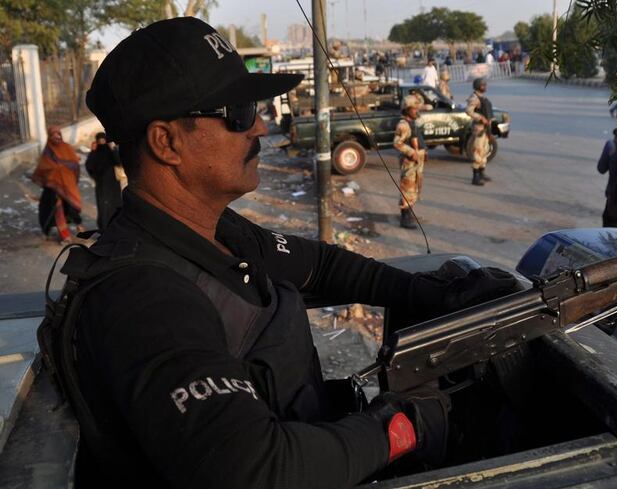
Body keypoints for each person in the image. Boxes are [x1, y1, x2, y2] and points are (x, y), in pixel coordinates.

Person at [70, 18, 517, 488]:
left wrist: (430, 292)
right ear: (167, 142)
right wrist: (402, 427)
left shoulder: (214, 230)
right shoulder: (143, 297)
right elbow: (255, 471)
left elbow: (321, 265)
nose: (260, 126)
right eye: (239, 112)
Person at [31, 126, 83, 243]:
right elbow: (43, 168)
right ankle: (65, 236)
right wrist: (57, 169)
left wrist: (62, 168)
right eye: (53, 135)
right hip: (54, 187)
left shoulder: (67, 148)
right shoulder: (48, 151)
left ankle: (80, 227)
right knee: (55, 209)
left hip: (68, 185)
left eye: (58, 134)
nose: (57, 137)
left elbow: (75, 164)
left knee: (72, 207)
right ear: (50, 137)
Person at [394, 95, 427, 229]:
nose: (416, 111)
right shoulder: (403, 125)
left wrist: (424, 152)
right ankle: (405, 217)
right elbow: (397, 143)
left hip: (417, 161)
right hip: (409, 162)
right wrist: (412, 152)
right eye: (413, 109)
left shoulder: (412, 122)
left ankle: (409, 212)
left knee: (414, 188)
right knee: (407, 188)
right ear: (407, 109)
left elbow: (418, 139)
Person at [84, 132, 123, 230]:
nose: (102, 143)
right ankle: (104, 229)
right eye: (99, 141)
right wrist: (92, 152)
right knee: (103, 208)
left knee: (115, 206)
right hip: (101, 185)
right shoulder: (95, 153)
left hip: (113, 185)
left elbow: (119, 161)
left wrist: (113, 148)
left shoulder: (111, 152)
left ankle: (116, 228)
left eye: (103, 140)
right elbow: (89, 166)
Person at [465, 78, 494, 186]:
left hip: (485, 128)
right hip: (479, 129)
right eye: (483, 85)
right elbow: (468, 111)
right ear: (478, 86)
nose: (485, 87)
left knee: (484, 151)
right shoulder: (474, 98)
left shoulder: (482, 97)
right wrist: (480, 118)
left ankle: (482, 172)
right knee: (477, 151)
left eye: (485, 84)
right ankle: (475, 176)